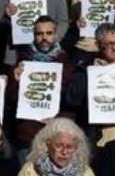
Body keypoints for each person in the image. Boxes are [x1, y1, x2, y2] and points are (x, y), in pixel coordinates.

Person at [7, 15, 77, 156]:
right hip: (28, 136)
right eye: (40, 34)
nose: (44, 37)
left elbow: (72, 101)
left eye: (49, 33)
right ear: (34, 36)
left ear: (56, 35)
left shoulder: (67, 64)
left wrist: (57, 119)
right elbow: (11, 101)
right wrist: (14, 80)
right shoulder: (22, 62)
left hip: (56, 134)